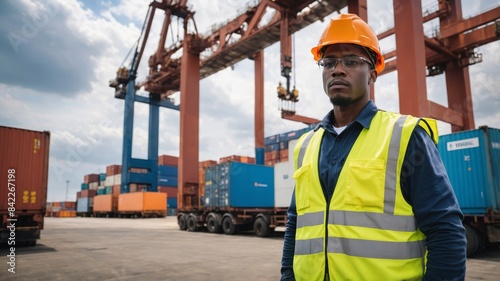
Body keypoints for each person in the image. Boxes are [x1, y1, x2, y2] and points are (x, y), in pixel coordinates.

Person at [280, 13, 466, 281]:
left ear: (373, 74)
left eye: (352, 61)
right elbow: (295, 225)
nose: (337, 69)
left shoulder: (405, 136)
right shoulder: (306, 146)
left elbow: (445, 230)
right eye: (329, 62)